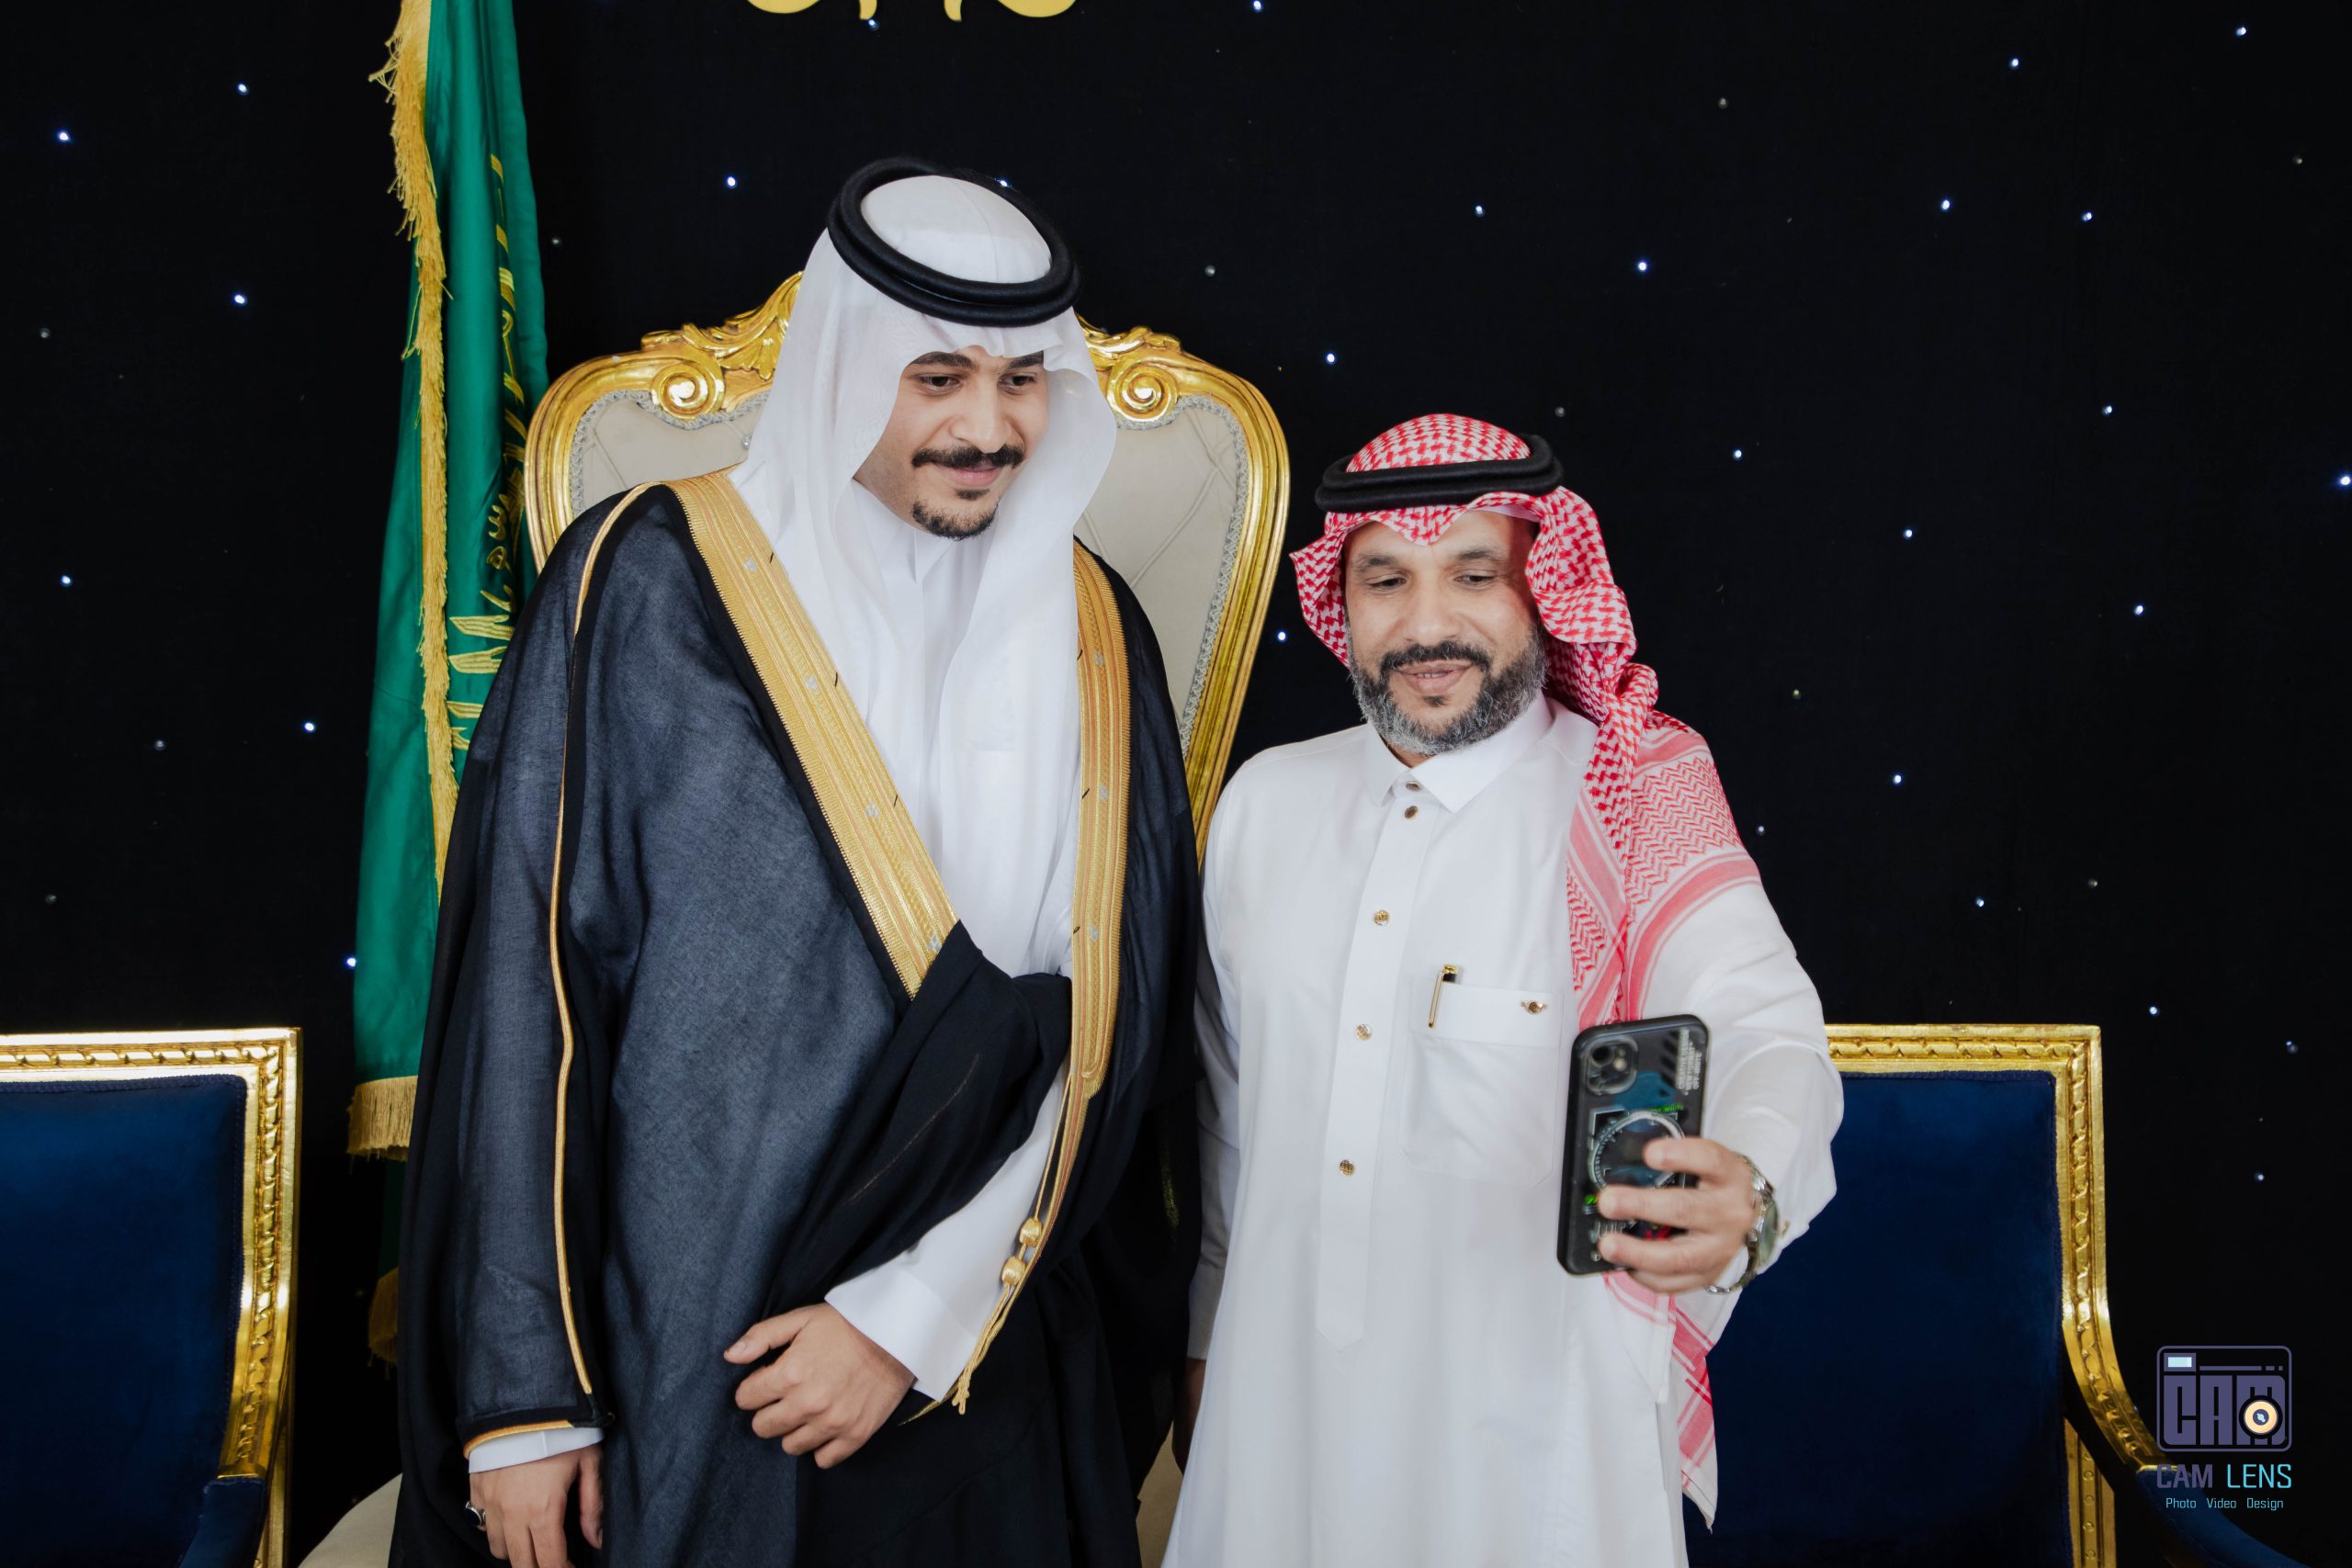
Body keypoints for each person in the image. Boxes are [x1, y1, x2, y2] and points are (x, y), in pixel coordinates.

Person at [393, 159, 1199, 1568]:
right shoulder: (645, 575)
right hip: (677, 1323)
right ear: (844, 365)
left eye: (1022, 381)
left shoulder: (1091, 622)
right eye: (937, 377)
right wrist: (527, 1397)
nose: (987, 427)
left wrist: (909, 1315)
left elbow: (1106, 1026)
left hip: (983, 1335)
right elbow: (534, 987)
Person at [1165, 414, 1843, 1566]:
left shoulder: (1640, 790)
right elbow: (1229, 1117)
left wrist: (1752, 1188)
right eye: (1386, 580)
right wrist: (1203, 1349)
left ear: (1545, 587)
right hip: (1277, 1410)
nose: (1427, 625)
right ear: (1341, 601)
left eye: (1475, 575)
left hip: (1539, 1434)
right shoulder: (1264, 805)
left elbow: (1769, 1034)